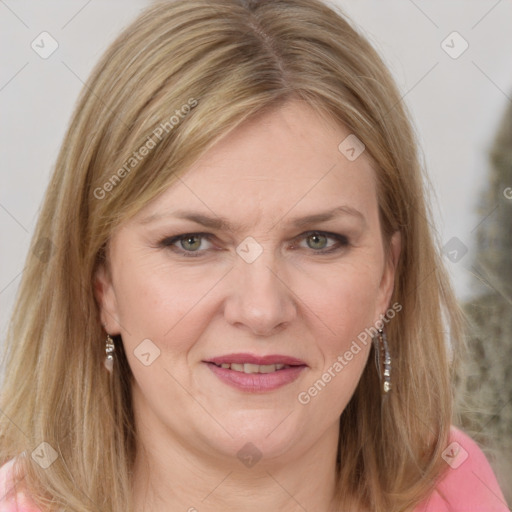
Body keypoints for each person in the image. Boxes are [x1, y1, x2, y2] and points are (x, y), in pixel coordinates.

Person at [0, 0, 509, 511]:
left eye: (318, 240)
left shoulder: (455, 486)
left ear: (387, 279)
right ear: (101, 283)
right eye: (192, 242)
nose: (262, 310)